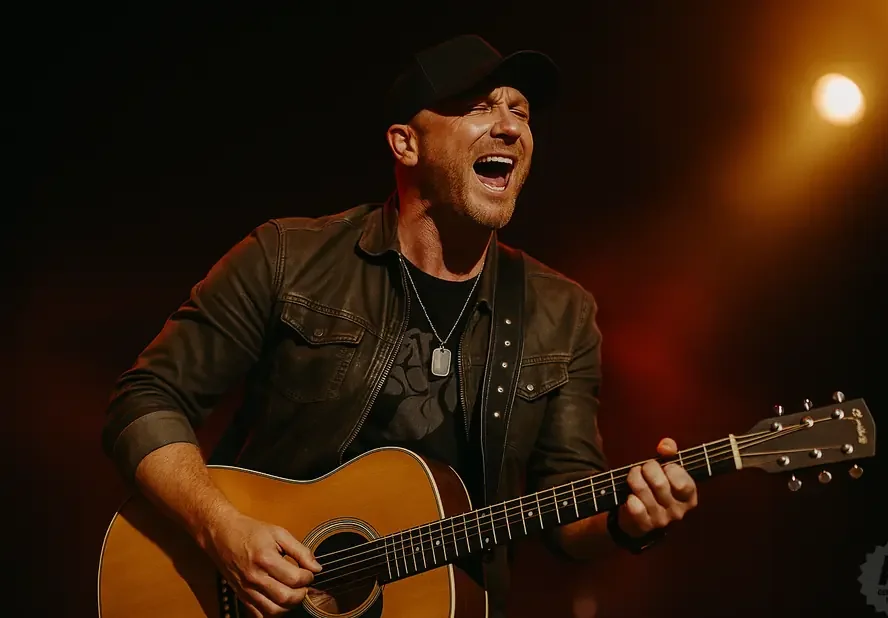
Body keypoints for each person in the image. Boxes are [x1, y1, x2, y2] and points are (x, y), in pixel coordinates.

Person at [101, 34, 698, 618]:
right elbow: (144, 400)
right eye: (478, 106)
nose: (511, 126)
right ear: (405, 143)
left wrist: (626, 519)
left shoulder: (561, 312)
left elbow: (568, 508)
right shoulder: (287, 257)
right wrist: (220, 530)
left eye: (521, 110)